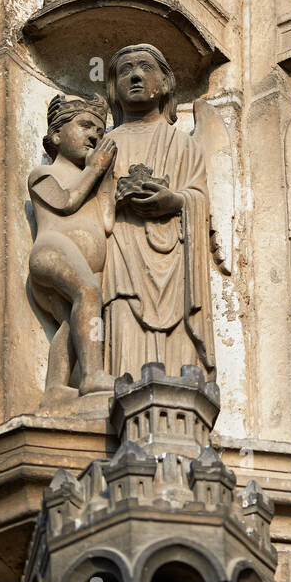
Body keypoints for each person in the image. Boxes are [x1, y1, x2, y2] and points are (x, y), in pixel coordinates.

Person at [103, 44, 215, 378]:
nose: (136, 75)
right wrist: (113, 198)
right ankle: (120, 386)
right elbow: (85, 202)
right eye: (125, 70)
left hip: (174, 255)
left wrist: (176, 201)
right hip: (121, 250)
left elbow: (199, 197)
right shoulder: (106, 144)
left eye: (144, 67)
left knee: (176, 334)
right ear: (113, 88)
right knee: (122, 313)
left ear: (164, 83)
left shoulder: (181, 143)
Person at [29, 95, 117, 406]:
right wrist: (94, 170)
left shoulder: (91, 182)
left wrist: (106, 177)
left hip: (84, 262)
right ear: (55, 135)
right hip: (52, 253)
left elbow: (107, 223)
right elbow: (65, 202)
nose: (94, 135)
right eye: (84, 125)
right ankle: (93, 375)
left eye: (99, 130)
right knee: (89, 294)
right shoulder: (43, 175)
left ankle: (55, 388)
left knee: (72, 323)